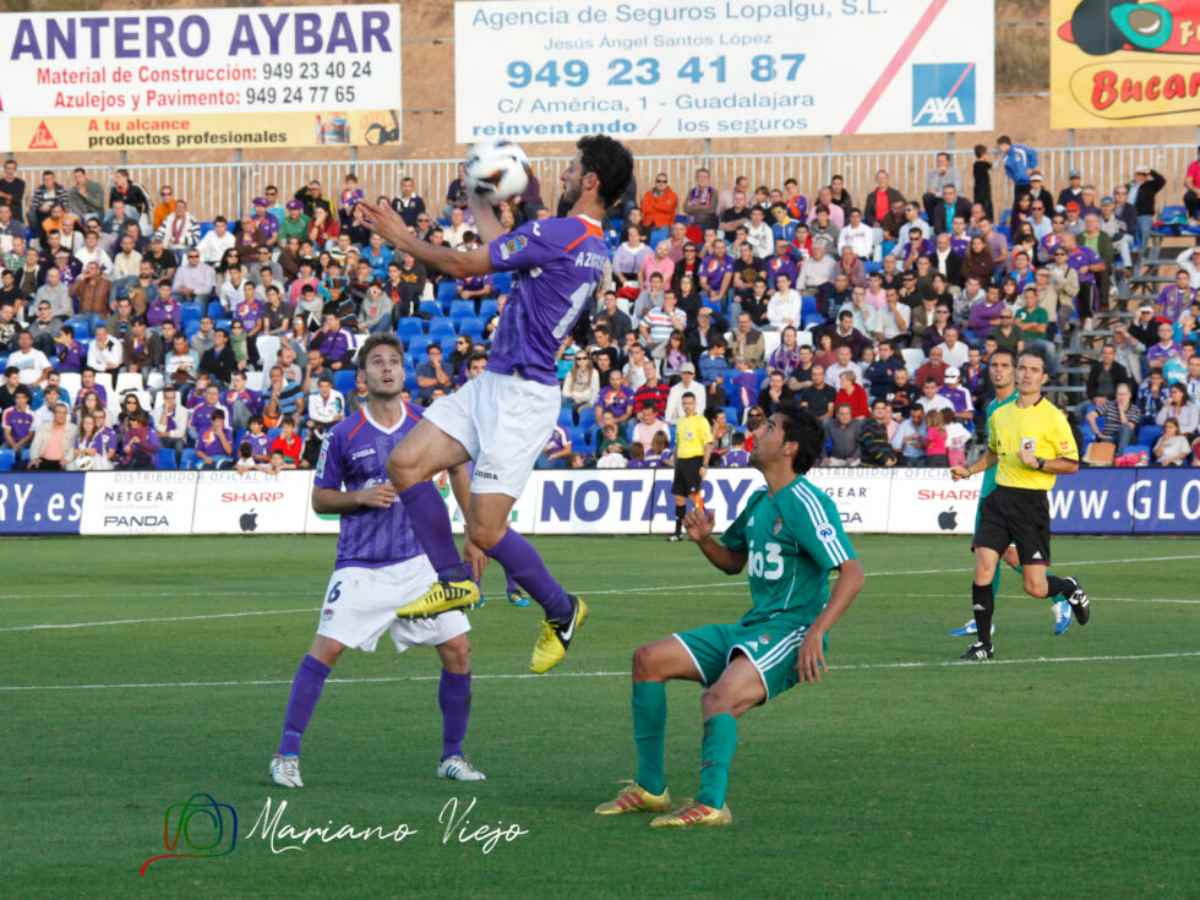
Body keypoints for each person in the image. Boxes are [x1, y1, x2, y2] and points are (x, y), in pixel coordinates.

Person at [358, 135, 633, 674]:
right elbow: (510, 253)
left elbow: (465, 268)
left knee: (485, 530)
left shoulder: (557, 232)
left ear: (592, 181)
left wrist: (400, 237)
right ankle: (455, 581)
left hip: (522, 397)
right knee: (406, 464)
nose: (565, 174)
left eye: (574, 168)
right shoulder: (589, 242)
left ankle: (562, 609)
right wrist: (482, 201)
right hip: (496, 383)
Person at [594, 408, 863, 828]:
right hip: (754, 627)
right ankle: (650, 790)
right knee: (648, 659)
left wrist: (816, 633)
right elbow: (732, 561)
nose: (758, 432)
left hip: (791, 631)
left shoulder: (807, 502)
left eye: (770, 427)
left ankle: (711, 805)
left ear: (790, 448)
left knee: (717, 698)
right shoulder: (761, 500)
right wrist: (704, 540)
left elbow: (852, 572)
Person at [269, 334, 486, 789]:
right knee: (324, 651)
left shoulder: (428, 425)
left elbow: (459, 471)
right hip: (361, 565)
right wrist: (362, 497)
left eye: (394, 361)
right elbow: (320, 500)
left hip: (420, 562)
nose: (387, 368)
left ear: (403, 373)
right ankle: (286, 754)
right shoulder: (343, 433)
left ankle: (452, 755)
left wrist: (475, 533)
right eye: (377, 362)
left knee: (459, 651)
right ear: (362, 378)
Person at [950, 352, 1089, 660]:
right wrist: (969, 470)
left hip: (1031, 505)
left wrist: (1039, 462)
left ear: (1043, 378)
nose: (1026, 375)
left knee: (1035, 587)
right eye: (1023, 369)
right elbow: (995, 453)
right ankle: (984, 644)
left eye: (1033, 370)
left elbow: (1071, 464)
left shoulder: (1053, 417)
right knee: (984, 567)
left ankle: (1068, 587)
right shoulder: (1000, 414)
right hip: (998, 499)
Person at [668, 393, 713, 542]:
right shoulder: (680, 422)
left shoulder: (701, 421)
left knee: (695, 496)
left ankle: (704, 528)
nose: (687, 406)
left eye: (690, 403)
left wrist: (705, 465)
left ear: (695, 404)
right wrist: (675, 461)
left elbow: (708, 444)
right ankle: (678, 532)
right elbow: (678, 444)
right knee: (679, 498)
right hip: (681, 463)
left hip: (695, 461)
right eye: (684, 403)